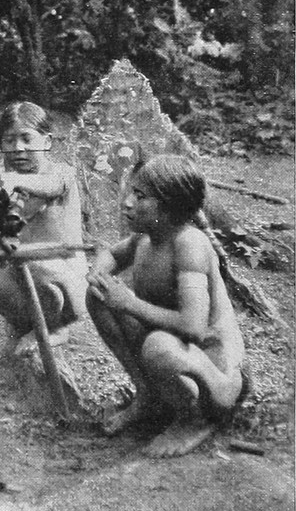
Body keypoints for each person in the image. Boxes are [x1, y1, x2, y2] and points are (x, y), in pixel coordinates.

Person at [86, 153, 246, 458]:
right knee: (99, 296)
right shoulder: (146, 239)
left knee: (157, 346)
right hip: (179, 352)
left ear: (170, 207)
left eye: (140, 196)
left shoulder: (189, 244)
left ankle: (196, 418)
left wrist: (130, 303)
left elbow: (194, 328)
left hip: (216, 371)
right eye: (130, 192)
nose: (127, 202)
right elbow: (112, 254)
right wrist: (99, 271)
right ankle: (149, 396)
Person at [0, 101, 87, 354]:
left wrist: (15, 181)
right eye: (9, 141)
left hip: (66, 284)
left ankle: (55, 328)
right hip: (26, 279)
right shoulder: (6, 183)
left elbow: (51, 187)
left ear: (47, 142)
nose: (18, 148)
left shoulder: (62, 173)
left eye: (26, 139)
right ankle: (23, 320)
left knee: (30, 263)